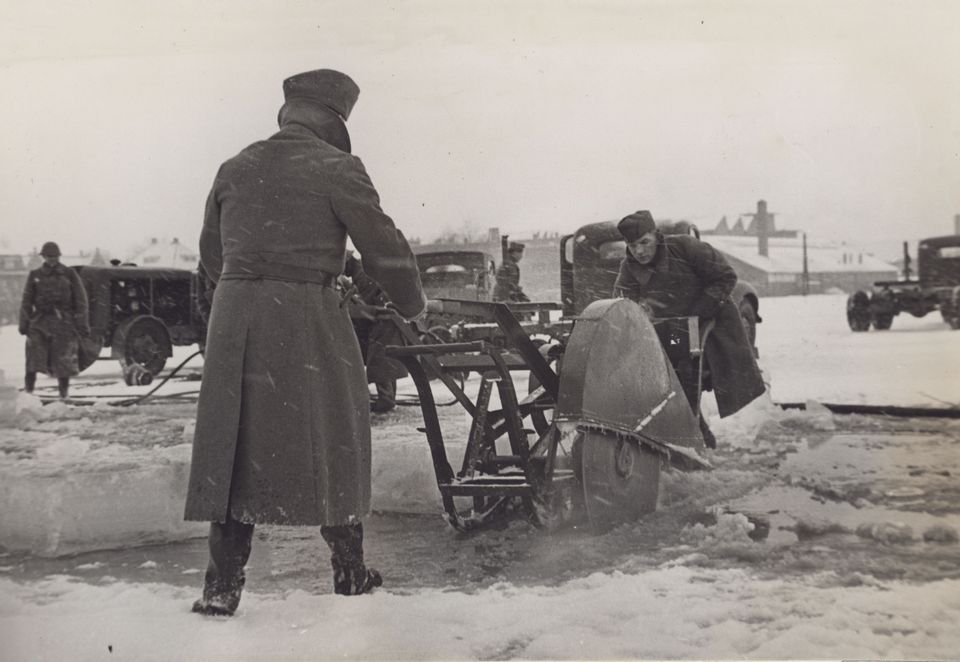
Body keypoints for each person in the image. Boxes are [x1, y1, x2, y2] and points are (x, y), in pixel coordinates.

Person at [184, 69, 426, 616]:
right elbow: (385, 249)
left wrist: (249, 288)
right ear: (335, 122)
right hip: (306, 316)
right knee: (333, 435)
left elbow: (211, 255)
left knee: (234, 446)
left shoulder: (235, 166)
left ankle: (221, 589)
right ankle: (350, 573)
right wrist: (412, 304)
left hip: (235, 316)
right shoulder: (338, 168)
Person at [612, 210, 764, 448]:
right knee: (666, 372)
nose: (639, 251)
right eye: (632, 246)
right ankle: (692, 430)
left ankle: (691, 434)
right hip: (672, 329)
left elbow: (725, 277)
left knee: (687, 368)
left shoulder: (685, 248)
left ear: (656, 235)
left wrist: (698, 311)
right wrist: (639, 311)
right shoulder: (629, 267)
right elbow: (623, 302)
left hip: (708, 322)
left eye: (644, 242)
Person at [18, 241, 89, 399]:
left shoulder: (69, 274)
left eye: (55, 256)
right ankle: (28, 393)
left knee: (63, 361)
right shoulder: (35, 275)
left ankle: (64, 396)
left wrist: (82, 323)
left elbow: (81, 300)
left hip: (63, 322)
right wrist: (24, 323)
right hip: (40, 322)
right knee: (33, 358)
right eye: (49, 256)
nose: (52, 259)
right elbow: (26, 301)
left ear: (59, 256)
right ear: (43, 257)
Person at [343, 252, 409, 413]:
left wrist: (356, 304)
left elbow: (368, 299)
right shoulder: (363, 272)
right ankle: (388, 399)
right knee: (387, 362)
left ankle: (386, 400)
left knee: (380, 362)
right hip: (386, 321)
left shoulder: (362, 274)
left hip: (383, 322)